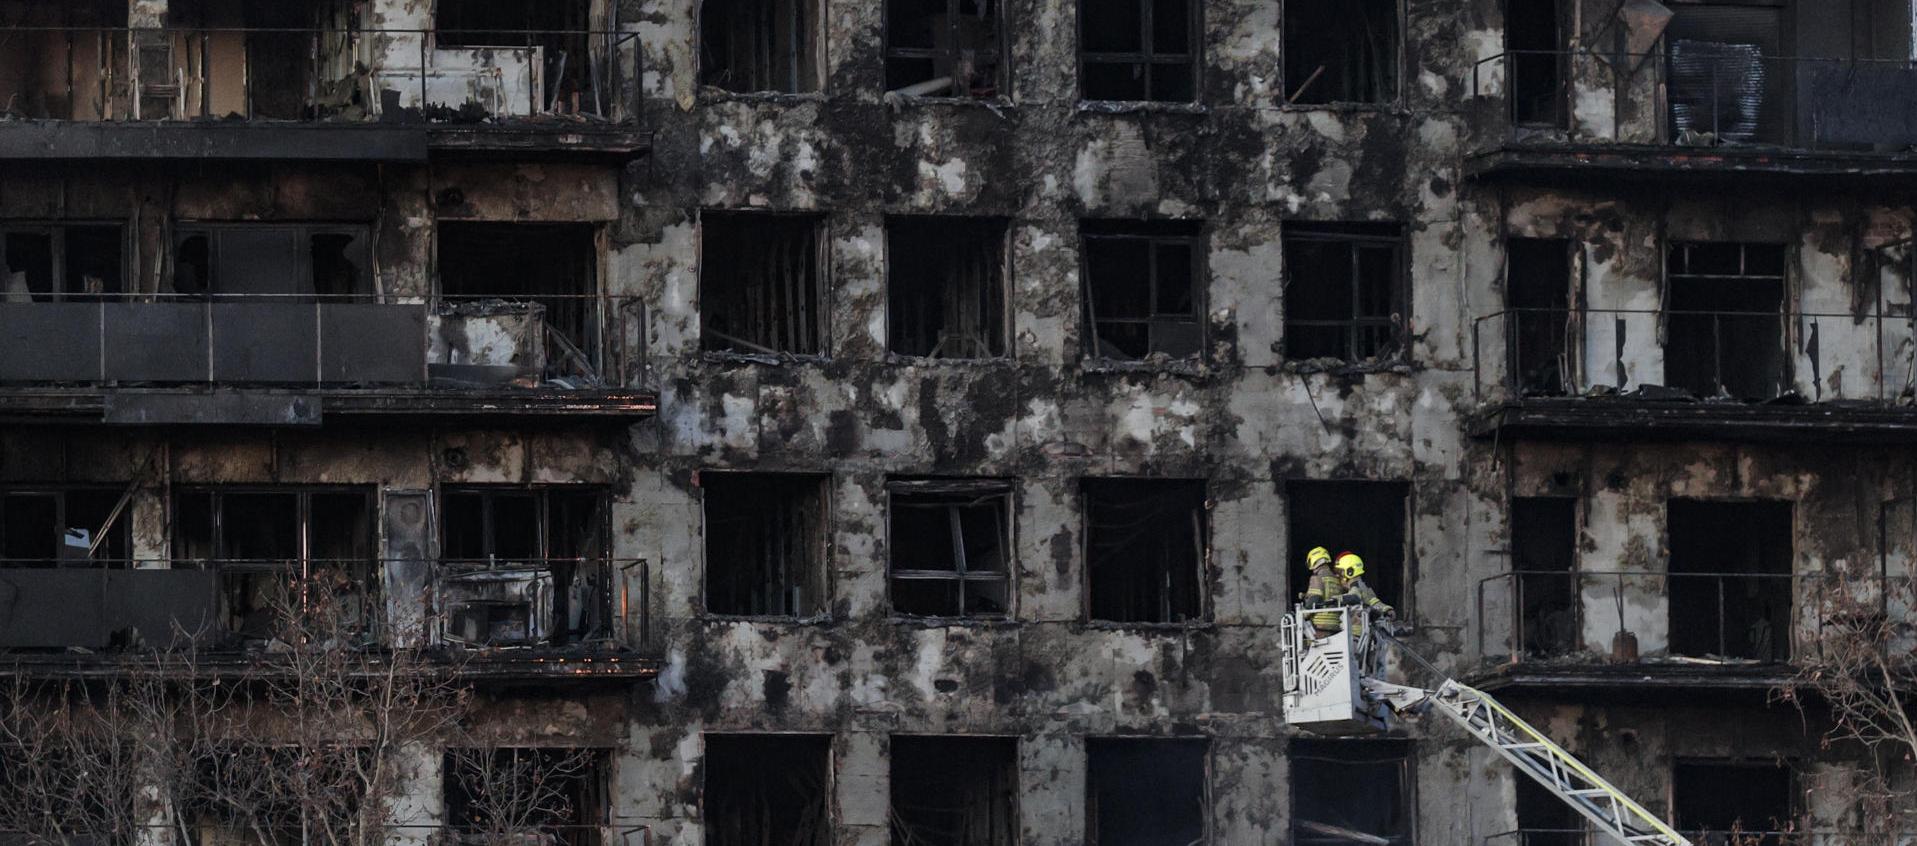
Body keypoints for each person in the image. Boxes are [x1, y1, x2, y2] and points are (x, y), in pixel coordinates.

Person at [1304, 547, 1394, 635]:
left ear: (1349, 571)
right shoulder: (1361, 586)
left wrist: (1336, 599)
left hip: (1352, 633)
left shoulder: (1355, 587)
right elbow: (1373, 600)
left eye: (1340, 572)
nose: (1338, 575)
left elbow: (1355, 597)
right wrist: (1387, 609)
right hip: (1352, 632)